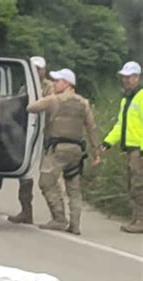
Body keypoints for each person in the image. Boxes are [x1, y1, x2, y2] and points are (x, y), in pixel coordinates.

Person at [27, 68, 100, 235]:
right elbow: (92, 128)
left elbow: (31, 107)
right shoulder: (84, 103)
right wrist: (96, 152)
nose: (54, 83)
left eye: (57, 81)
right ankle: (75, 225)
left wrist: (48, 96)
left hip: (57, 149)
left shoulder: (54, 100)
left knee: (46, 183)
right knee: (73, 188)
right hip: (76, 151)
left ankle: (59, 219)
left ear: (67, 83)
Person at [8, 56, 53, 224]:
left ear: (44, 70)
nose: (36, 71)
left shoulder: (50, 88)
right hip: (29, 133)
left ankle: (59, 216)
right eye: (33, 68)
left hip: (46, 134)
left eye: (39, 68)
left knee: (49, 176)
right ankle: (26, 211)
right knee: (25, 173)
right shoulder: (25, 87)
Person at [101, 61, 143, 234]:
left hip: (139, 150)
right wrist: (108, 142)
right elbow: (121, 125)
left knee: (139, 185)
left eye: (129, 77)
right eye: (124, 77)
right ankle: (136, 217)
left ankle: (140, 220)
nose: (125, 80)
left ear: (137, 77)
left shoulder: (141, 96)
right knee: (131, 184)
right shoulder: (126, 99)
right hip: (130, 149)